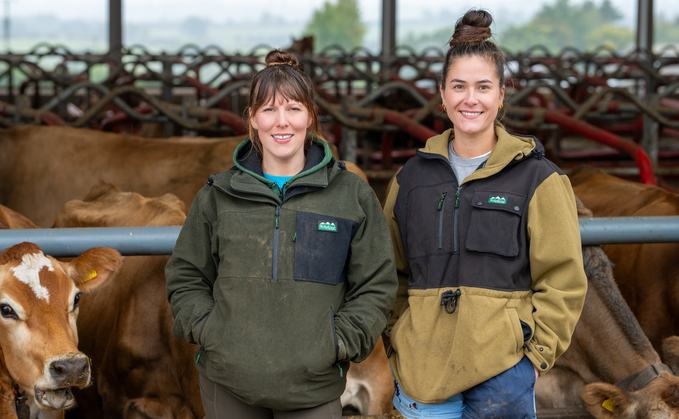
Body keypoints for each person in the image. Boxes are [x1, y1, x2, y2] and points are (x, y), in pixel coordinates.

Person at [165, 50, 397, 419]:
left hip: (314, 387)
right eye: (269, 110)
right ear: (253, 119)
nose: (281, 122)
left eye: (292, 109)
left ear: (310, 116)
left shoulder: (350, 194)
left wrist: (338, 343)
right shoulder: (217, 194)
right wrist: (211, 330)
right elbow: (185, 275)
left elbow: (377, 284)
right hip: (229, 383)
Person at [381, 9, 588, 419]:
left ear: (501, 94)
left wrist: (531, 356)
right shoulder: (411, 179)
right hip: (424, 376)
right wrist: (398, 339)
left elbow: (563, 278)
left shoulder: (538, 178)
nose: (470, 99)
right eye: (458, 86)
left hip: (502, 376)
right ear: (442, 94)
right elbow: (391, 272)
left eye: (483, 86)